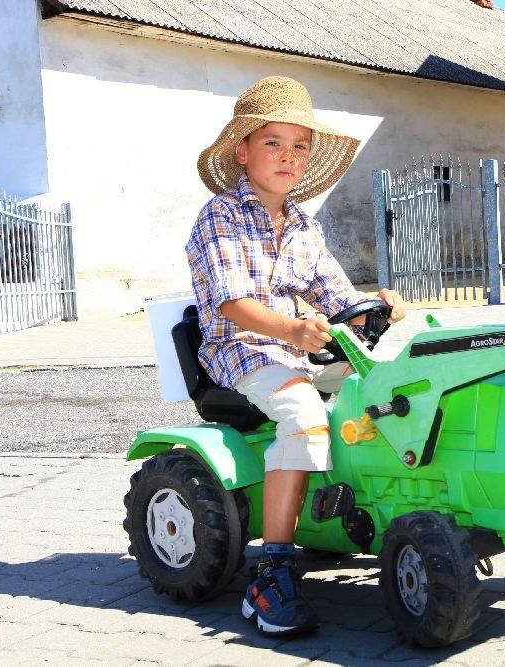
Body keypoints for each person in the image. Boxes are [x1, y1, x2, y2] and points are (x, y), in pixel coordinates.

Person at [187, 75, 407, 637]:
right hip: (240, 351)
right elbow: (233, 305)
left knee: (387, 393)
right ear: (243, 151)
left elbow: (337, 296)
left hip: (294, 347)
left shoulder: (305, 224)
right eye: (272, 143)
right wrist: (293, 330)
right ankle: (272, 573)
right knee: (307, 418)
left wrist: (376, 305)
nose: (289, 156)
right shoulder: (221, 217)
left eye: (300, 145)